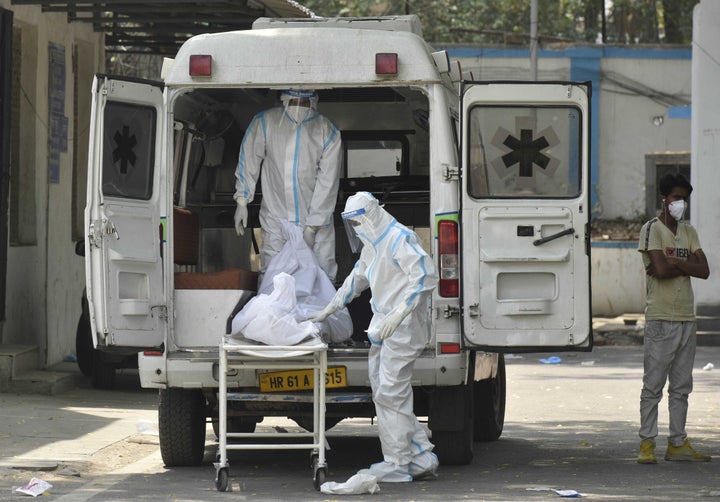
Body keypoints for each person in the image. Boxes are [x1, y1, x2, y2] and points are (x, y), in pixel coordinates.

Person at [310, 191, 439, 482]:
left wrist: (398, 315)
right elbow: (358, 276)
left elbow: (425, 276)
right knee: (385, 393)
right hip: (383, 325)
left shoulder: (398, 238)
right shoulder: (375, 241)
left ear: (370, 215)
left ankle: (398, 463)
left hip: (402, 327)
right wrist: (330, 308)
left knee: (392, 392)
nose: (355, 229)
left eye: (358, 221)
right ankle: (418, 455)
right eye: (351, 223)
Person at [636, 172, 711, 464]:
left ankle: (677, 443)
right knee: (653, 385)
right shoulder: (652, 229)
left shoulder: (688, 231)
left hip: (685, 319)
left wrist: (676, 262)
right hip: (660, 317)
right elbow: (661, 272)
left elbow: (704, 270)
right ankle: (647, 443)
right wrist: (687, 264)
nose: (681, 203)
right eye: (677, 197)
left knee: (681, 387)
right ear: (664, 199)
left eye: (684, 198)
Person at [234, 89, 341, 281]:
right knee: (273, 283)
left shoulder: (327, 130)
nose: (299, 106)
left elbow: (328, 183)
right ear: (284, 99)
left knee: (321, 281)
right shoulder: (265, 122)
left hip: (316, 224)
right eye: (295, 102)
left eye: (303, 102)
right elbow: (249, 160)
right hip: (276, 220)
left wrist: (313, 227)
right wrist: (242, 199)